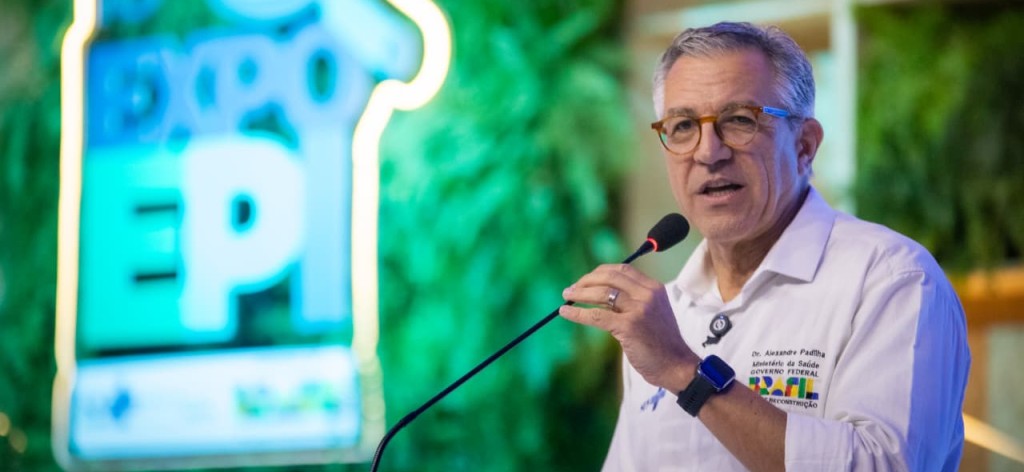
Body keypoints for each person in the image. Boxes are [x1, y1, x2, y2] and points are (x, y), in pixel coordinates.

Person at [559, 21, 970, 471]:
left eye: (740, 120)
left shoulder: (892, 280)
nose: (708, 152)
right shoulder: (666, 313)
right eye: (683, 126)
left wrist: (683, 371)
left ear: (805, 145)